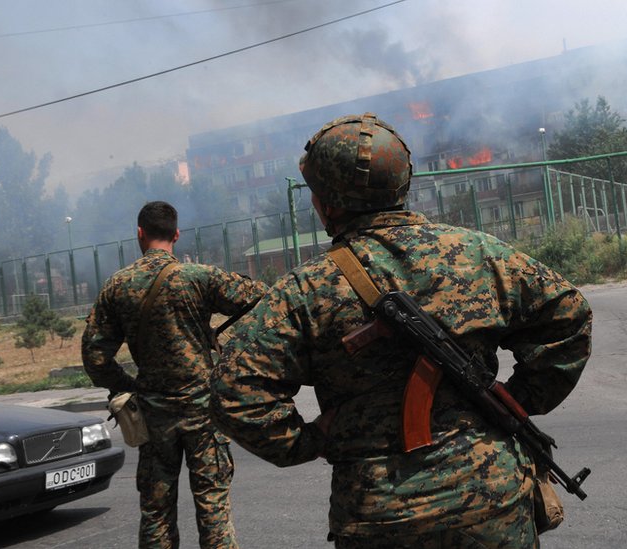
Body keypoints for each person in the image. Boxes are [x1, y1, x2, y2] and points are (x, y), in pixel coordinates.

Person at [209, 113, 593, 548]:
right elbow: (569, 314)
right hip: (490, 503)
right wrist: (521, 398)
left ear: (324, 203)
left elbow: (233, 390)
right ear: (403, 184)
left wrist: (309, 440)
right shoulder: (479, 254)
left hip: (380, 515)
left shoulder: (305, 289)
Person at [82, 201, 267, 548]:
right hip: (204, 412)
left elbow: (94, 357)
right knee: (213, 509)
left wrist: (129, 387)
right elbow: (262, 299)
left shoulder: (118, 286)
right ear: (177, 234)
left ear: (140, 233)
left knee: (156, 513)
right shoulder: (199, 277)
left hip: (153, 416)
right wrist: (234, 354)